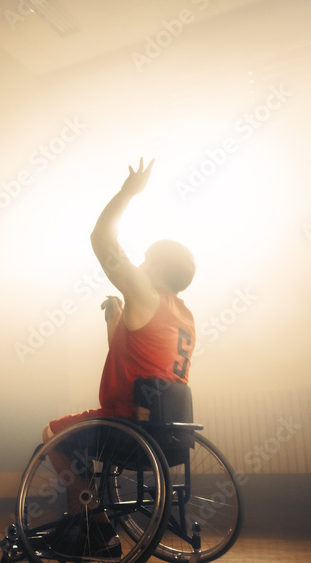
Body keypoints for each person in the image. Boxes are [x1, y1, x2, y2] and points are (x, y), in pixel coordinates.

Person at [43, 157, 197, 441]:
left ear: (159, 269)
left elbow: (101, 238)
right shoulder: (185, 318)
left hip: (127, 423)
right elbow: (136, 360)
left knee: (51, 432)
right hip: (168, 431)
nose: (140, 265)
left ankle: (79, 488)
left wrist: (127, 192)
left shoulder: (147, 294)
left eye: (146, 260)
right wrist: (116, 319)